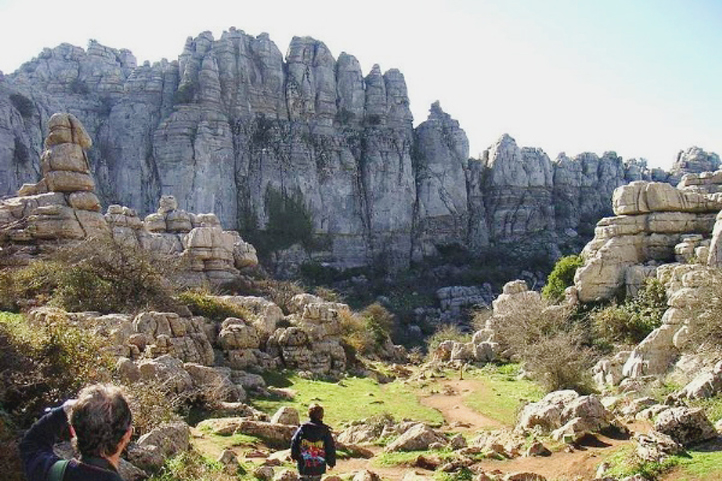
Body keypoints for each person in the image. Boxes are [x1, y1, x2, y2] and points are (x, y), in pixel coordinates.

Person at [20, 384, 133, 481]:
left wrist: (62, 412)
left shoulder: (49, 471)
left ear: (72, 430)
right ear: (128, 434)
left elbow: (32, 442)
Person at [290, 403, 336, 481]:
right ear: (322, 416)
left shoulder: (303, 428)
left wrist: (294, 456)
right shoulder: (325, 431)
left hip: (303, 465)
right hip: (318, 468)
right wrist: (331, 463)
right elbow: (330, 447)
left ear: (308, 414)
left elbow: (295, 442)